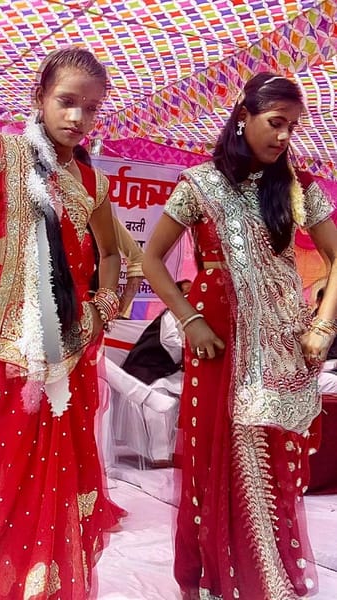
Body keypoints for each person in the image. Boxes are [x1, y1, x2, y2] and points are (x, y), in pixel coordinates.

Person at [0, 46, 126, 598]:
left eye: (90, 108)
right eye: (66, 102)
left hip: (70, 346)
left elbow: (110, 255)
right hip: (3, 342)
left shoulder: (92, 182)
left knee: (63, 474)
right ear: (39, 97)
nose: (78, 117)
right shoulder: (4, 152)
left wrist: (102, 307)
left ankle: (49, 586)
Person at [142, 72, 337, 599]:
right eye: (275, 122)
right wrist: (189, 319)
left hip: (280, 337)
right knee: (216, 451)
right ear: (242, 117)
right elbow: (152, 259)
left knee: (274, 452)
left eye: (292, 126)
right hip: (217, 335)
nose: (284, 136)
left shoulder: (298, 186)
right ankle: (217, 576)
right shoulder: (199, 184)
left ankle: (267, 571)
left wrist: (322, 325)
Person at [73, 143, 144, 315]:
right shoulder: (38, 211)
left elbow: (138, 260)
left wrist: (116, 309)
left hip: (85, 314)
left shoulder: (98, 215)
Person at [121, 279, 192, 385]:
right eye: (187, 293)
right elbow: (169, 339)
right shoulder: (172, 312)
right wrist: (189, 352)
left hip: (160, 372)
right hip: (144, 371)